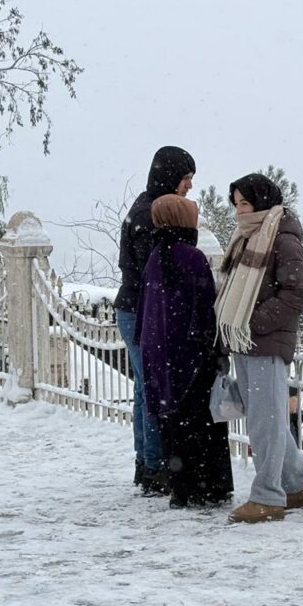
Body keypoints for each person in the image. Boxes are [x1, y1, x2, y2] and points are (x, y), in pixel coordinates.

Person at [214, 172, 303, 523]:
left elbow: (296, 292)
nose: (239, 211)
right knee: (266, 417)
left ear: (262, 201)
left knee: (266, 421)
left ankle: (268, 497)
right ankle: (299, 485)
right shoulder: (247, 235)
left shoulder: (282, 236)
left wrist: (254, 321)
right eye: (236, 204)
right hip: (244, 340)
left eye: (245, 203)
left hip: (265, 340)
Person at [134, 195, 234, 508]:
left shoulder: (155, 257)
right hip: (191, 354)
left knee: (173, 425)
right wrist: (215, 349)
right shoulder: (193, 258)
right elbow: (205, 308)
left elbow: (147, 310)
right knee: (202, 424)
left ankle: (181, 488)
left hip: (161, 355)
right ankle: (208, 488)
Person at [116, 146, 196, 493]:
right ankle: (156, 466)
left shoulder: (145, 207)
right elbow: (159, 275)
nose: (189, 185)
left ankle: (146, 463)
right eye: (186, 178)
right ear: (170, 176)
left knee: (143, 389)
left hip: (132, 309)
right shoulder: (152, 218)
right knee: (154, 390)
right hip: (143, 313)